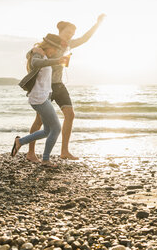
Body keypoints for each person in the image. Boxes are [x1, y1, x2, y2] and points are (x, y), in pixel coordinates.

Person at [26, 14, 106, 162]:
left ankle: (64, 151)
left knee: (70, 114)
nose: (71, 36)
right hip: (45, 87)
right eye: (68, 32)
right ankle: (30, 153)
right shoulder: (49, 44)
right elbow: (33, 56)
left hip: (59, 84)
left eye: (72, 34)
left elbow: (85, 38)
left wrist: (98, 23)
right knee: (40, 121)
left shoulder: (68, 45)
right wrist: (37, 52)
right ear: (60, 31)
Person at [11, 34, 70, 166]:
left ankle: (20, 142)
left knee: (47, 131)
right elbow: (35, 63)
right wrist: (56, 61)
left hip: (43, 97)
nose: (54, 52)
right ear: (48, 46)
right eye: (54, 49)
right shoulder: (37, 53)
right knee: (56, 128)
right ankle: (45, 159)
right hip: (39, 98)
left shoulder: (43, 55)